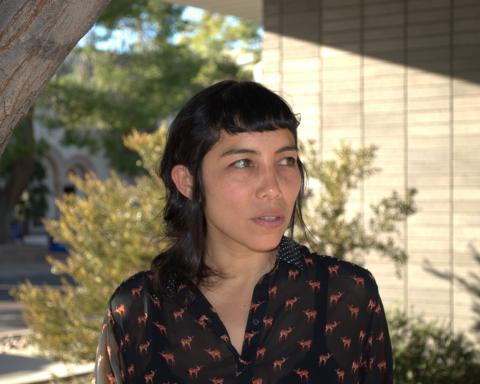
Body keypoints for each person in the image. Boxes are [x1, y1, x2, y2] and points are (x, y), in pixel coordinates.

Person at [95, 80, 393, 383]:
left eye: (286, 160)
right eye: (243, 163)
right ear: (187, 182)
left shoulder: (346, 296)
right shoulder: (137, 309)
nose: (273, 188)